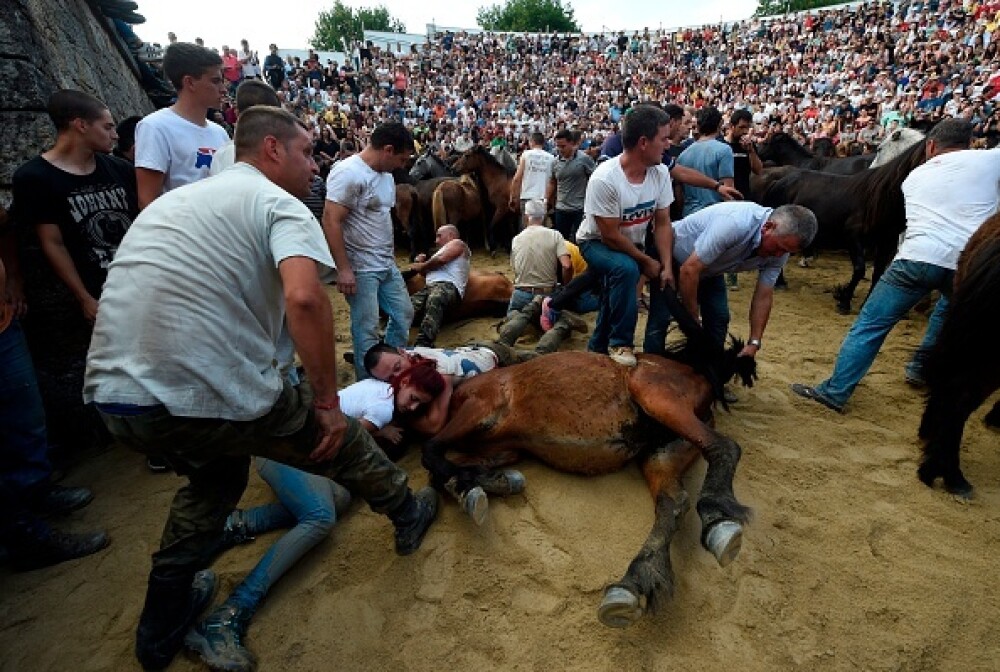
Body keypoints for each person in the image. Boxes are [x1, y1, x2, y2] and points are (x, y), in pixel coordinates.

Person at [83, 107, 438, 671]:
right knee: (340, 437)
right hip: (200, 388)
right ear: (271, 149)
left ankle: (159, 629)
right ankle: (405, 511)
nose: (313, 166)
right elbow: (304, 299)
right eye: (305, 152)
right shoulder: (279, 205)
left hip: (114, 397)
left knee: (216, 478)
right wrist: (325, 402)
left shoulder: (172, 203)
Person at [184, 366, 446, 672]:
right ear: (403, 382)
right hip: (281, 450)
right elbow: (354, 442)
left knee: (340, 499)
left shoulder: (377, 387)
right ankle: (231, 612)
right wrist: (380, 430)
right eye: (413, 398)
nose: (412, 407)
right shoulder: (383, 406)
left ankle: (233, 526)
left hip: (289, 446)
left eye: (419, 405)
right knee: (320, 516)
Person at [791, 119, 1000, 413]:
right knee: (947, 311)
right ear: (970, 142)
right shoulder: (990, 160)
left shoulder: (912, 178)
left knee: (869, 326)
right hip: (966, 263)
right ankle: (918, 368)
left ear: (930, 146)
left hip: (914, 257)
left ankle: (835, 392)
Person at [10, 89, 138, 456]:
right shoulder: (34, 177)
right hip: (93, 289)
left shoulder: (119, 169)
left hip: (135, 282)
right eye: (108, 126)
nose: (115, 135)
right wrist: (84, 297)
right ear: (80, 125)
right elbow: (52, 242)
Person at [0, 207, 109, 572]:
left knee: (25, 413)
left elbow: (3, 224)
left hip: (3, 323)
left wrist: (13, 276)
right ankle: (25, 537)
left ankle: (36, 490)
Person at [642, 202, 818, 365]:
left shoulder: (781, 248)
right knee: (661, 318)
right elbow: (689, 271)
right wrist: (693, 319)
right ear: (767, 227)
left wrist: (754, 342)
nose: (780, 255)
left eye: (787, 252)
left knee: (719, 317)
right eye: (779, 248)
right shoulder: (735, 224)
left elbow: (764, 294)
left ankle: (710, 373)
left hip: (709, 268)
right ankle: (650, 370)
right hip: (671, 257)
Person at [575, 104, 675, 367]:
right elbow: (609, 236)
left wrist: (666, 266)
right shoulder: (605, 179)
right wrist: (645, 261)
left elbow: (663, 223)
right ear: (644, 142)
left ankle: (597, 347)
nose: (669, 144)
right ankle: (620, 343)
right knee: (626, 270)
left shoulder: (661, 172)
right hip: (596, 242)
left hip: (631, 242)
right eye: (664, 138)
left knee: (615, 292)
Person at [324, 121, 416, 380]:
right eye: (401, 158)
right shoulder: (348, 173)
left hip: (385, 262)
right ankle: (367, 381)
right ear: (387, 150)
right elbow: (331, 220)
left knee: (404, 313)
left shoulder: (386, 176)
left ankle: (390, 365)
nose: (402, 165)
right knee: (366, 328)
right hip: (361, 267)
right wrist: (343, 269)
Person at [134, 42, 230, 210]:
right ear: (190, 82)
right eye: (215, 81)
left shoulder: (219, 132)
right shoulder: (155, 127)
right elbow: (147, 201)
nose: (223, 89)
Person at [498, 197, 587, 353]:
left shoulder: (516, 239)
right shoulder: (555, 235)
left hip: (522, 292)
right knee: (560, 319)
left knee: (513, 313)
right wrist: (565, 288)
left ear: (526, 217)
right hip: (548, 292)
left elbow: (515, 268)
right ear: (544, 217)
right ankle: (560, 325)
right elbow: (567, 265)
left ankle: (525, 324)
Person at [408, 224, 471, 347]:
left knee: (436, 298)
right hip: (430, 287)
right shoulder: (437, 254)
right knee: (407, 306)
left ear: (451, 235)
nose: (436, 240)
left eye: (439, 236)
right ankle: (389, 335)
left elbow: (441, 260)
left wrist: (422, 265)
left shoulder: (458, 243)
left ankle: (424, 343)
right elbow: (425, 273)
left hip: (448, 286)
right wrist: (419, 263)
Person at [722, 109, 764, 290]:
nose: (745, 131)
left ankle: (732, 272)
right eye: (741, 127)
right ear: (731, 126)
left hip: (743, 195)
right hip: (724, 196)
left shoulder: (747, 146)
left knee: (738, 236)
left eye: (748, 127)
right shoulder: (722, 146)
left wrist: (751, 151)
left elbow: (758, 170)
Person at [676, 106, 735, 219]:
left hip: (689, 216)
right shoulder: (724, 150)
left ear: (698, 126)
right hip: (714, 216)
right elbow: (728, 190)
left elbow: (679, 194)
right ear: (719, 125)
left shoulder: (683, 155)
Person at [548, 129, 596, 241]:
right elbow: (552, 182)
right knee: (561, 241)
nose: (560, 150)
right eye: (558, 146)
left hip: (580, 209)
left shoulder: (584, 159)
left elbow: (594, 180)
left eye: (563, 146)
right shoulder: (555, 163)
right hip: (561, 209)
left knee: (579, 240)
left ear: (571, 143)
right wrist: (546, 201)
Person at [509, 131, 556, 227]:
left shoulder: (526, 155)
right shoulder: (551, 158)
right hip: (543, 198)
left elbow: (517, 178)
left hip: (527, 196)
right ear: (543, 143)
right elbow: (553, 181)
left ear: (531, 142)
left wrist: (512, 197)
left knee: (526, 229)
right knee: (541, 229)